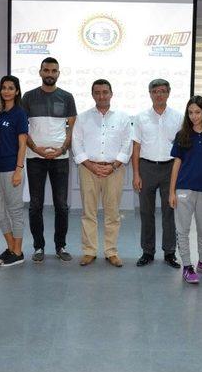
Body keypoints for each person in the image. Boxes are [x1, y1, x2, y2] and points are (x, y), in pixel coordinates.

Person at [21, 57, 77, 262]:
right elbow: (22, 128)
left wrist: (62, 148)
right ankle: (38, 247)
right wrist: (36, 148)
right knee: (36, 205)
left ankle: (60, 246)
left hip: (60, 158)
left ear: (58, 73)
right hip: (35, 157)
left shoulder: (67, 97)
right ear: (40, 72)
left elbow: (72, 128)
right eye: (46, 70)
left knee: (61, 205)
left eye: (54, 70)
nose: (50, 74)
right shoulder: (28, 97)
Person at [72, 79, 132, 267]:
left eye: (105, 92)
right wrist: (90, 165)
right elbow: (76, 142)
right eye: (97, 92)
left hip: (114, 170)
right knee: (88, 212)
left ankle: (111, 251)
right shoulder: (83, 117)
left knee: (112, 213)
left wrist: (113, 166)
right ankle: (89, 251)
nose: (101, 96)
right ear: (92, 95)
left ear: (111, 94)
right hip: (88, 169)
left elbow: (127, 144)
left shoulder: (122, 117)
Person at [131, 78, 182, 268]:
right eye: (155, 91)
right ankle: (147, 251)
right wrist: (136, 174)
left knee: (169, 211)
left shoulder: (178, 117)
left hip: (170, 168)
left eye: (162, 91)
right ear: (150, 93)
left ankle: (169, 252)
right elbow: (136, 147)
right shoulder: (140, 117)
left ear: (168, 93)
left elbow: (182, 148)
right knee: (146, 211)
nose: (159, 95)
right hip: (146, 167)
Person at [168, 96, 202, 284]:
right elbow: (176, 164)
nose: (194, 116)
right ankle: (187, 266)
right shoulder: (182, 135)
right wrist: (172, 192)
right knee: (183, 229)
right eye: (190, 112)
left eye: (197, 112)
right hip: (184, 190)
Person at [0, 75, 28, 267]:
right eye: (4, 87)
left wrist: (18, 170)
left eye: (11, 88)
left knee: (15, 211)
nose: (7, 91)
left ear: (17, 91)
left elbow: (23, 144)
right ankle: (11, 246)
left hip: (11, 169)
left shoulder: (19, 114)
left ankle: (18, 251)